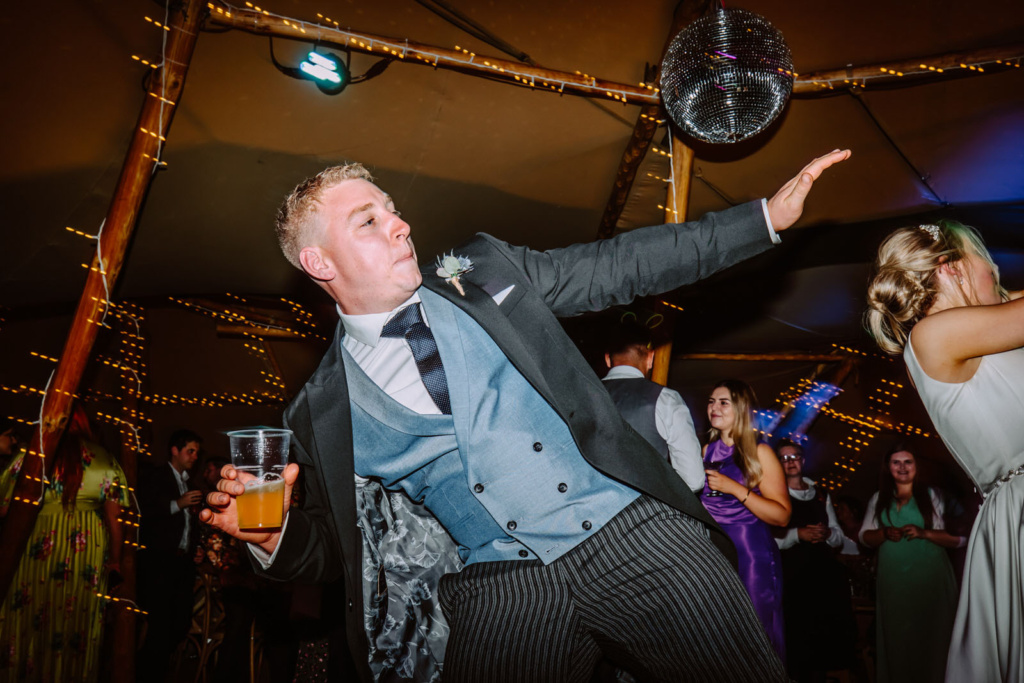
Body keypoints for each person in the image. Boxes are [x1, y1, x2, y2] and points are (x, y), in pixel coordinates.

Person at [202, 149, 850, 682]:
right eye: (368, 221)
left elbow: (616, 267)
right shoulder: (316, 409)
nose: (400, 225)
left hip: (626, 527)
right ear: (319, 262)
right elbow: (338, 547)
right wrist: (271, 536)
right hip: (497, 581)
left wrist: (761, 218)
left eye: (393, 212)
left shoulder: (478, 274)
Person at [866, 220, 1024, 681]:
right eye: (983, 257)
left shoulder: (984, 327)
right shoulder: (932, 337)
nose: (993, 268)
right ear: (950, 267)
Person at [0, 404, 130, 682]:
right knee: (76, 623)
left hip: (36, 540)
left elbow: (3, 507)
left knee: (29, 613)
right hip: (87, 547)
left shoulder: (33, 455)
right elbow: (115, 520)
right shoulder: (104, 458)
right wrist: (115, 559)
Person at [701, 379, 791, 661]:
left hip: (750, 556)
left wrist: (736, 489)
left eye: (723, 402)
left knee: (753, 637)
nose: (714, 407)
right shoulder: (704, 452)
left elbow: (782, 516)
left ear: (741, 409)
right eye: (711, 401)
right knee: (713, 638)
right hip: (712, 555)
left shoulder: (759, 452)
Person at [858, 446, 963, 683]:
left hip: (930, 578)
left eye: (908, 462)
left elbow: (960, 539)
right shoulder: (878, 498)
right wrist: (883, 532)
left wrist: (924, 533)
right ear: (888, 467)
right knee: (898, 638)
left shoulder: (933, 495)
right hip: (894, 581)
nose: (902, 467)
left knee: (933, 637)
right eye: (896, 462)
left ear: (917, 466)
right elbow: (864, 536)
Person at [773, 439, 856, 682]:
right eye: (784, 458)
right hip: (792, 576)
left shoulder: (820, 494)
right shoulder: (774, 493)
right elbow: (768, 539)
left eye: (794, 457)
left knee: (823, 639)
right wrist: (798, 535)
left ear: (803, 460)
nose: (790, 462)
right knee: (797, 638)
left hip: (822, 577)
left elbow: (838, 534)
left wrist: (827, 534)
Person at [602, 320, 703, 491]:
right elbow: (693, 480)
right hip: (643, 511)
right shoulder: (666, 399)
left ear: (607, 359)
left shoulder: (580, 395)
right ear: (650, 358)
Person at [137, 429, 204, 682]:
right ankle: (147, 673)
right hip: (159, 563)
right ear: (175, 450)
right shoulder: (155, 476)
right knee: (160, 626)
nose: (195, 456)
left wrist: (196, 547)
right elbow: (144, 512)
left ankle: (156, 671)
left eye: (197, 452)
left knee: (181, 623)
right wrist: (178, 504)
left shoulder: (189, 483)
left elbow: (189, 526)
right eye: (191, 450)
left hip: (182, 564)